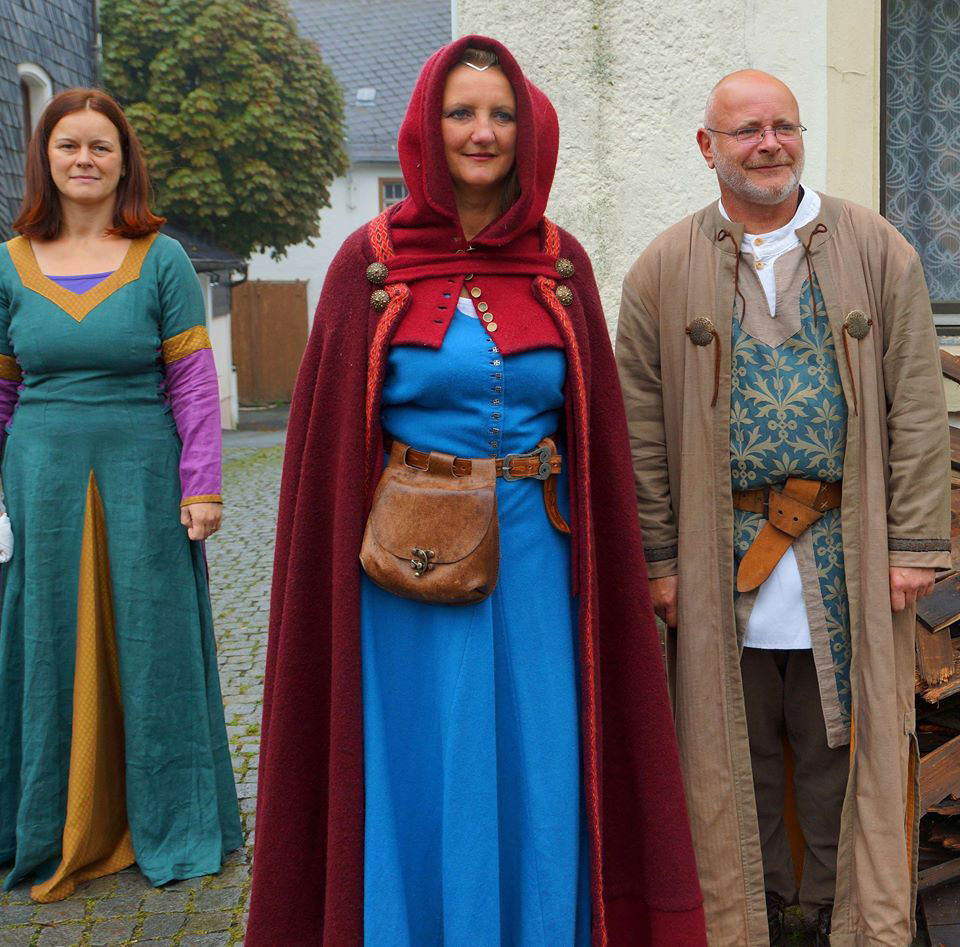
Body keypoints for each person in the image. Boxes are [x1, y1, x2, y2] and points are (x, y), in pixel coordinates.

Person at [246, 36, 706, 946]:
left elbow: (596, 432)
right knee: (428, 754)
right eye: (461, 112)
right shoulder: (369, 263)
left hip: (540, 557)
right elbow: (328, 449)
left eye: (501, 114)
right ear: (429, 125)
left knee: (541, 751)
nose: (482, 132)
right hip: (406, 564)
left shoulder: (561, 264)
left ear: (528, 129)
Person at [615, 69, 950, 946]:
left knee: (842, 747)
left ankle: (844, 922)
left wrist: (913, 543)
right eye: (747, 130)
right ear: (707, 147)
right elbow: (638, 427)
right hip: (716, 551)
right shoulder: (662, 269)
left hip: (848, 548)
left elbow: (918, 403)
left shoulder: (877, 250)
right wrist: (659, 560)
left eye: (784, 127)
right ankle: (751, 921)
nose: (770, 144)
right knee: (733, 752)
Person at [0, 88, 242, 902]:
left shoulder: (161, 258)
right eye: (68, 145)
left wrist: (202, 484)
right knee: (45, 642)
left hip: (143, 475)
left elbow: (193, 382)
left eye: (100, 146)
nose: (84, 159)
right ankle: (47, 821)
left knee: (152, 641)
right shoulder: (6, 264)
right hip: (39, 482)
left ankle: (168, 817)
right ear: (45, 159)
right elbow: (0, 391)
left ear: (123, 161)